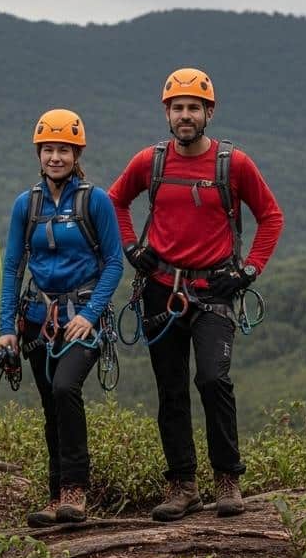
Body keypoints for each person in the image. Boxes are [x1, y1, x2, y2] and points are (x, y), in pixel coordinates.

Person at [108, 68, 283, 521]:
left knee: (211, 378)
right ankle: (182, 485)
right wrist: (131, 247)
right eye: (177, 108)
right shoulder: (150, 162)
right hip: (161, 290)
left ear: (209, 112)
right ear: (166, 113)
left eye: (193, 108)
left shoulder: (234, 164)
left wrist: (248, 272)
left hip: (215, 291)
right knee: (170, 389)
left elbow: (271, 216)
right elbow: (114, 201)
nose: (185, 115)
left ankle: (228, 478)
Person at [0, 109, 125, 526]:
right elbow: (13, 266)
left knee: (66, 388)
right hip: (37, 318)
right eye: (48, 149)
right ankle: (56, 495)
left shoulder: (95, 200)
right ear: (39, 153)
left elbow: (114, 264)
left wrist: (90, 314)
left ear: (76, 153)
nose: (55, 157)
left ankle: (75, 490)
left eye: (63, 149)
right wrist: (5, 329)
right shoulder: (26, 204)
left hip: (81, 318)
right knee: (52, 401)